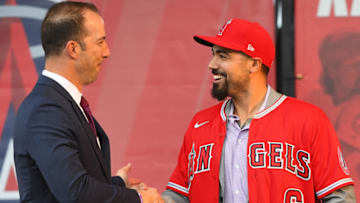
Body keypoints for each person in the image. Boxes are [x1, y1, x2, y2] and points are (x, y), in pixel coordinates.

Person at [162, 18, 356, 202]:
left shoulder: (308, 119)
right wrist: (141, 198)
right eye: (213, 55)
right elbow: (180, 195)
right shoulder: (200, 124)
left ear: (254, 64)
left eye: (223, 56)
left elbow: (338, 196)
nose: (212, 65)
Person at [13, 2, 163, 202]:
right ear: (73, 49)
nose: (107, 52)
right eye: (100, 42)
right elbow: (75, 192)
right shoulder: (45, 110)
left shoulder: (60, 104)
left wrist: (117, 184)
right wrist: (139, 199)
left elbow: (68, 181)